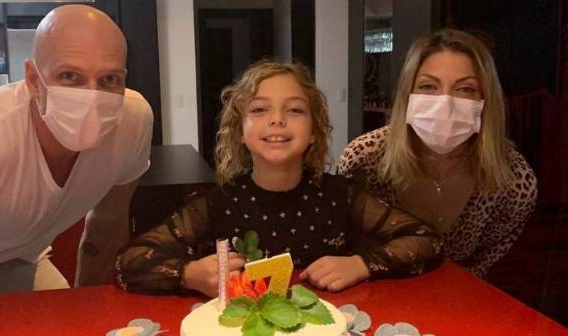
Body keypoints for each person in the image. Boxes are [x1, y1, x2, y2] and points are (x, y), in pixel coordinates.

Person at [116, 60, 440, 297]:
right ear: (239, 131)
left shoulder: (342, 195)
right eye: (259, 110)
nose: (277, 120)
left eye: (295, 110)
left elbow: (426, 240)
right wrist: (189, 274)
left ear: (314, 131)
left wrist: (360, 264)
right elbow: (128, 263)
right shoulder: (216, 203)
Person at [0, 5, 153, 297]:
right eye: (69, 76)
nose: (91, 97)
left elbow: (108, 223)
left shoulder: (133, 123)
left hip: (23, 259)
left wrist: (83, 303)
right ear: (33, 80)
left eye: (109, 79)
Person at [337, 29, 537, 278]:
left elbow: (484, 262)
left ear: (486, 100)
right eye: (428, 86)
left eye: (465, 89)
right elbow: (343, 243)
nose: (445, 103)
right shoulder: (363, 159)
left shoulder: (513, 180)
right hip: (373, 289)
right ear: (407, 95)